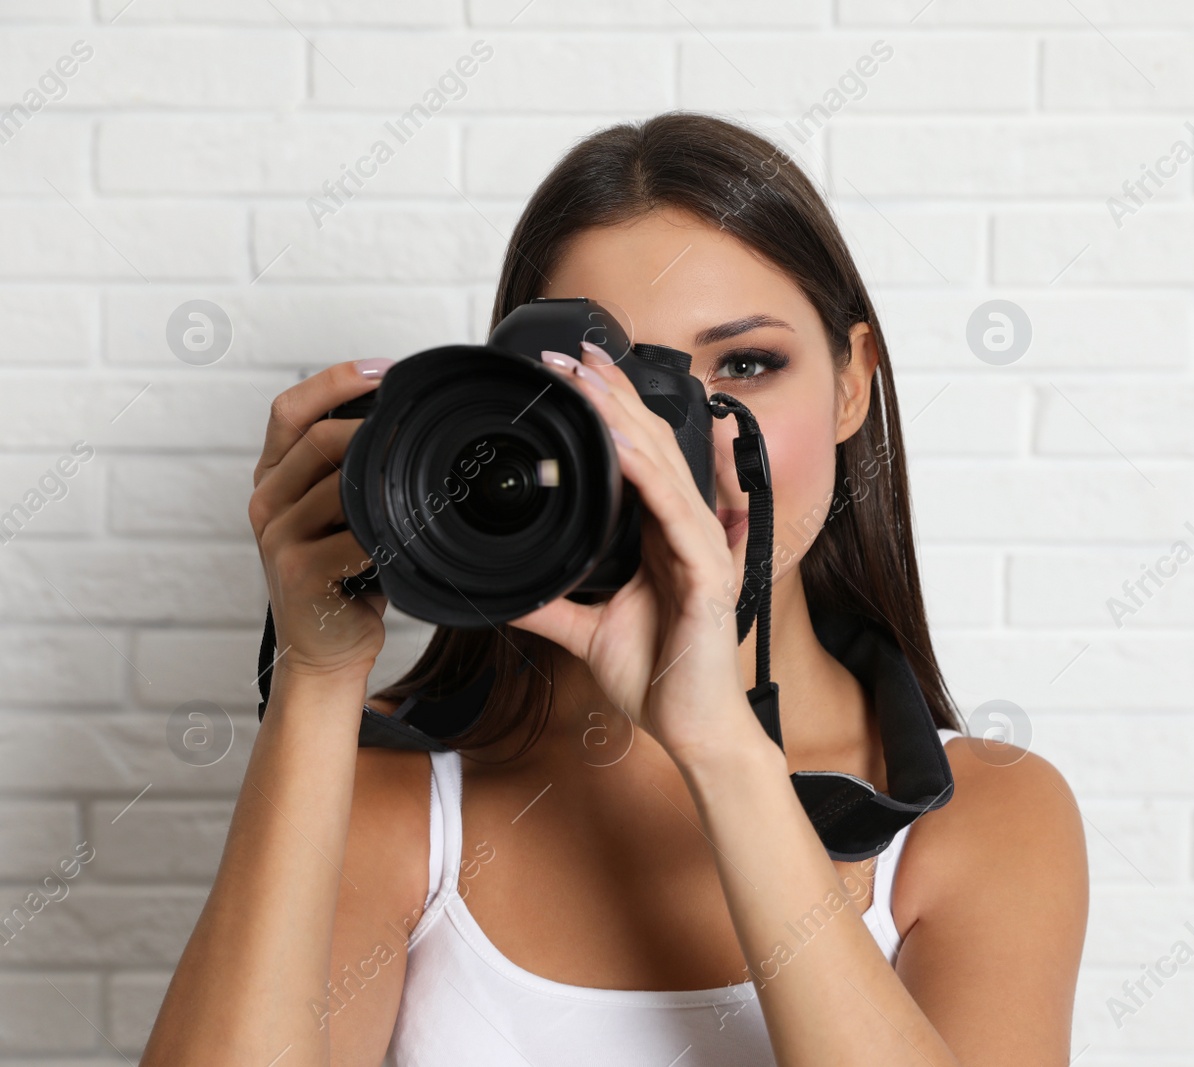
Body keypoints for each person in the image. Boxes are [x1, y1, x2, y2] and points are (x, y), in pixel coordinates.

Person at [143, 111, 1088, 1066]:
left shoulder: (979, 823)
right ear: (514, 409)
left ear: (852, 384)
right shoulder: (402, 800)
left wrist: (722, 746)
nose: (664, 442)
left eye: (746, 365)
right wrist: (315, 679)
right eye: (607, 383)